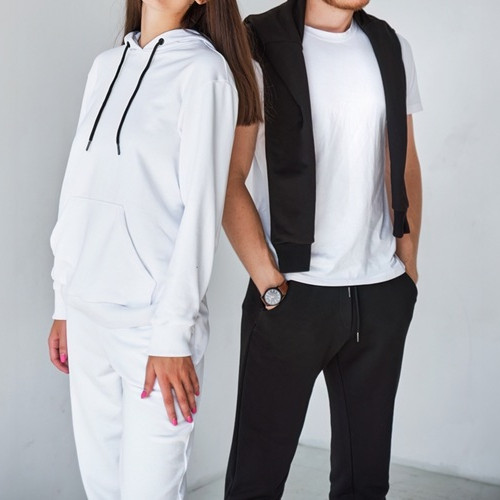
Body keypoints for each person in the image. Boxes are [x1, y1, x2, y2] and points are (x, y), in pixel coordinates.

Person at [47, 0, 260, 498]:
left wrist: (172, 336)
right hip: (87, 318)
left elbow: (201, 212)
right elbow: (77, 188)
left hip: (151, 329)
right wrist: (63, 302)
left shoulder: (205, 72)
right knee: (101, 490)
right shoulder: (105, 67)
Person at [223, 0, 422, 498]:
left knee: (366, 483)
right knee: (256, 479)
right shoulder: (256, 43)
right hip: (292, 294)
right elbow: (227, 175)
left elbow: (403, 161)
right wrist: (268, 281)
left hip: (379, 293)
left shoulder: (391, 46)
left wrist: (407, 266)